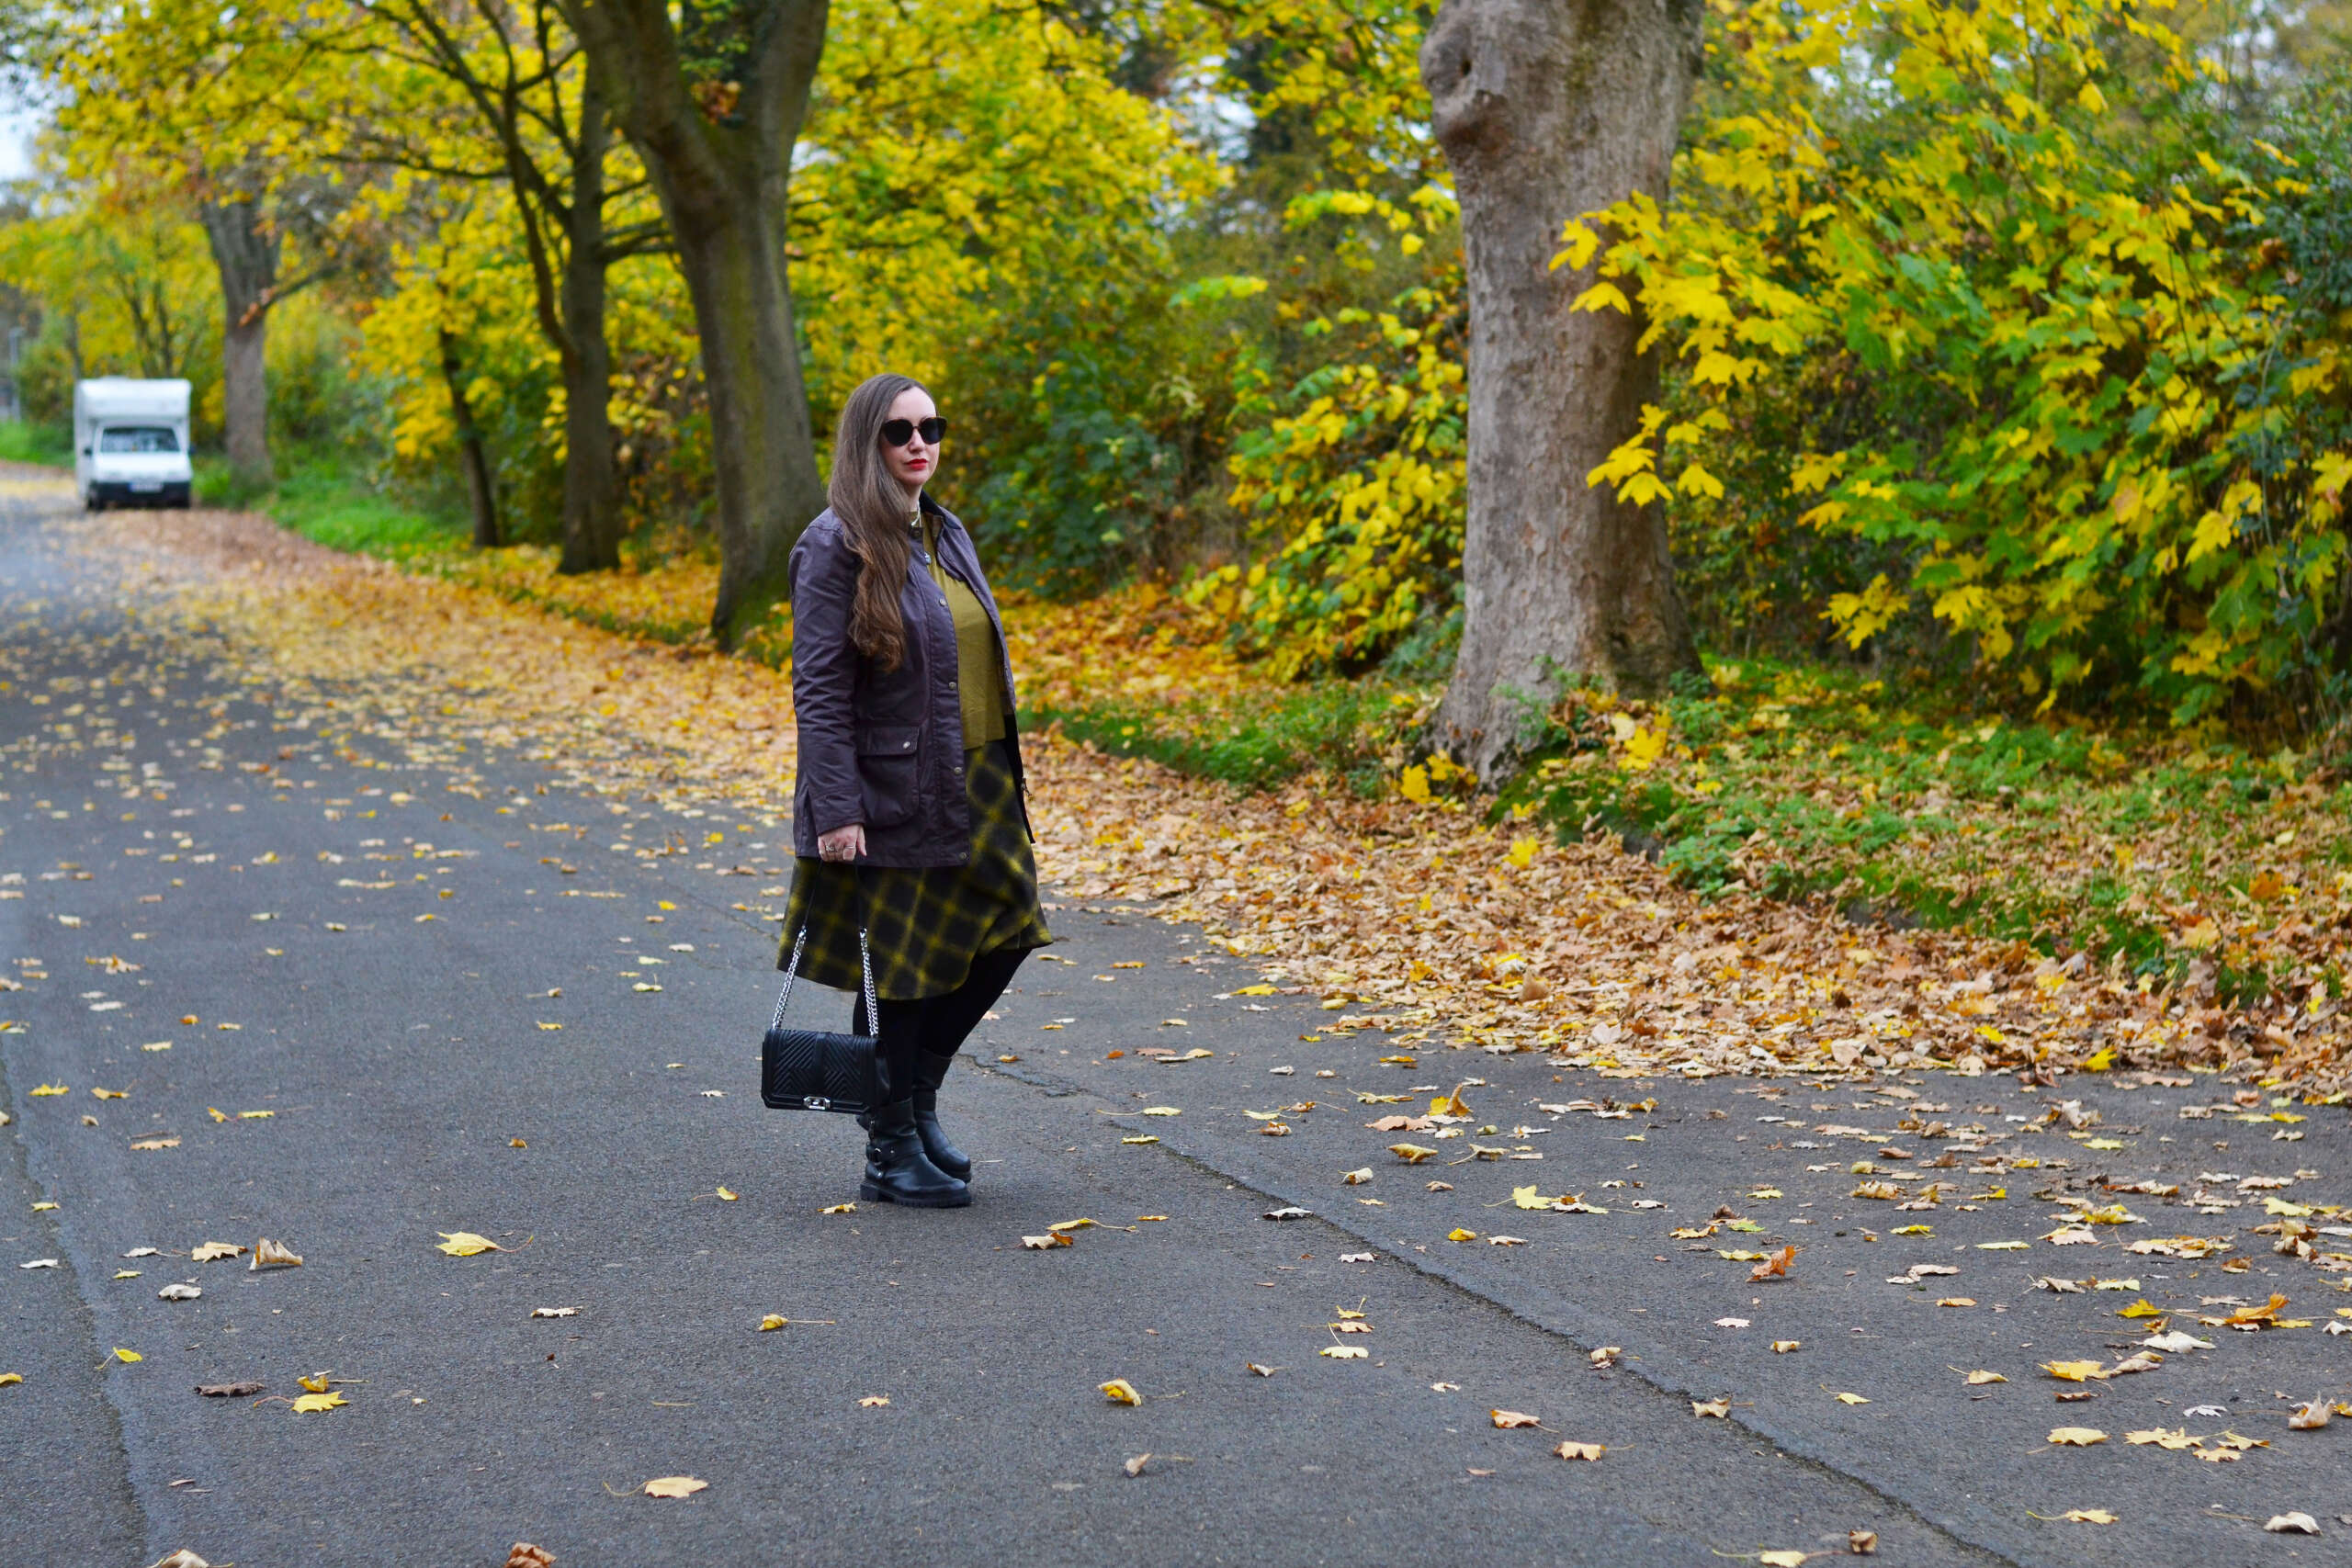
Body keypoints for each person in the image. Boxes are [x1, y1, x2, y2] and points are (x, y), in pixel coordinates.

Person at [781, 372, 1052, 1208]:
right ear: (868, 442)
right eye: (899, 432)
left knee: (1006, 931)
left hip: (976, 777)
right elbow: (820, 689)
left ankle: (916, 1100)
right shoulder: (835, 544)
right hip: (888, 786)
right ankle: (888, 1149)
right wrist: (838, 811)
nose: (919, 445)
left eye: (931, 427)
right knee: (897, 975)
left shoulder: (942, 529)